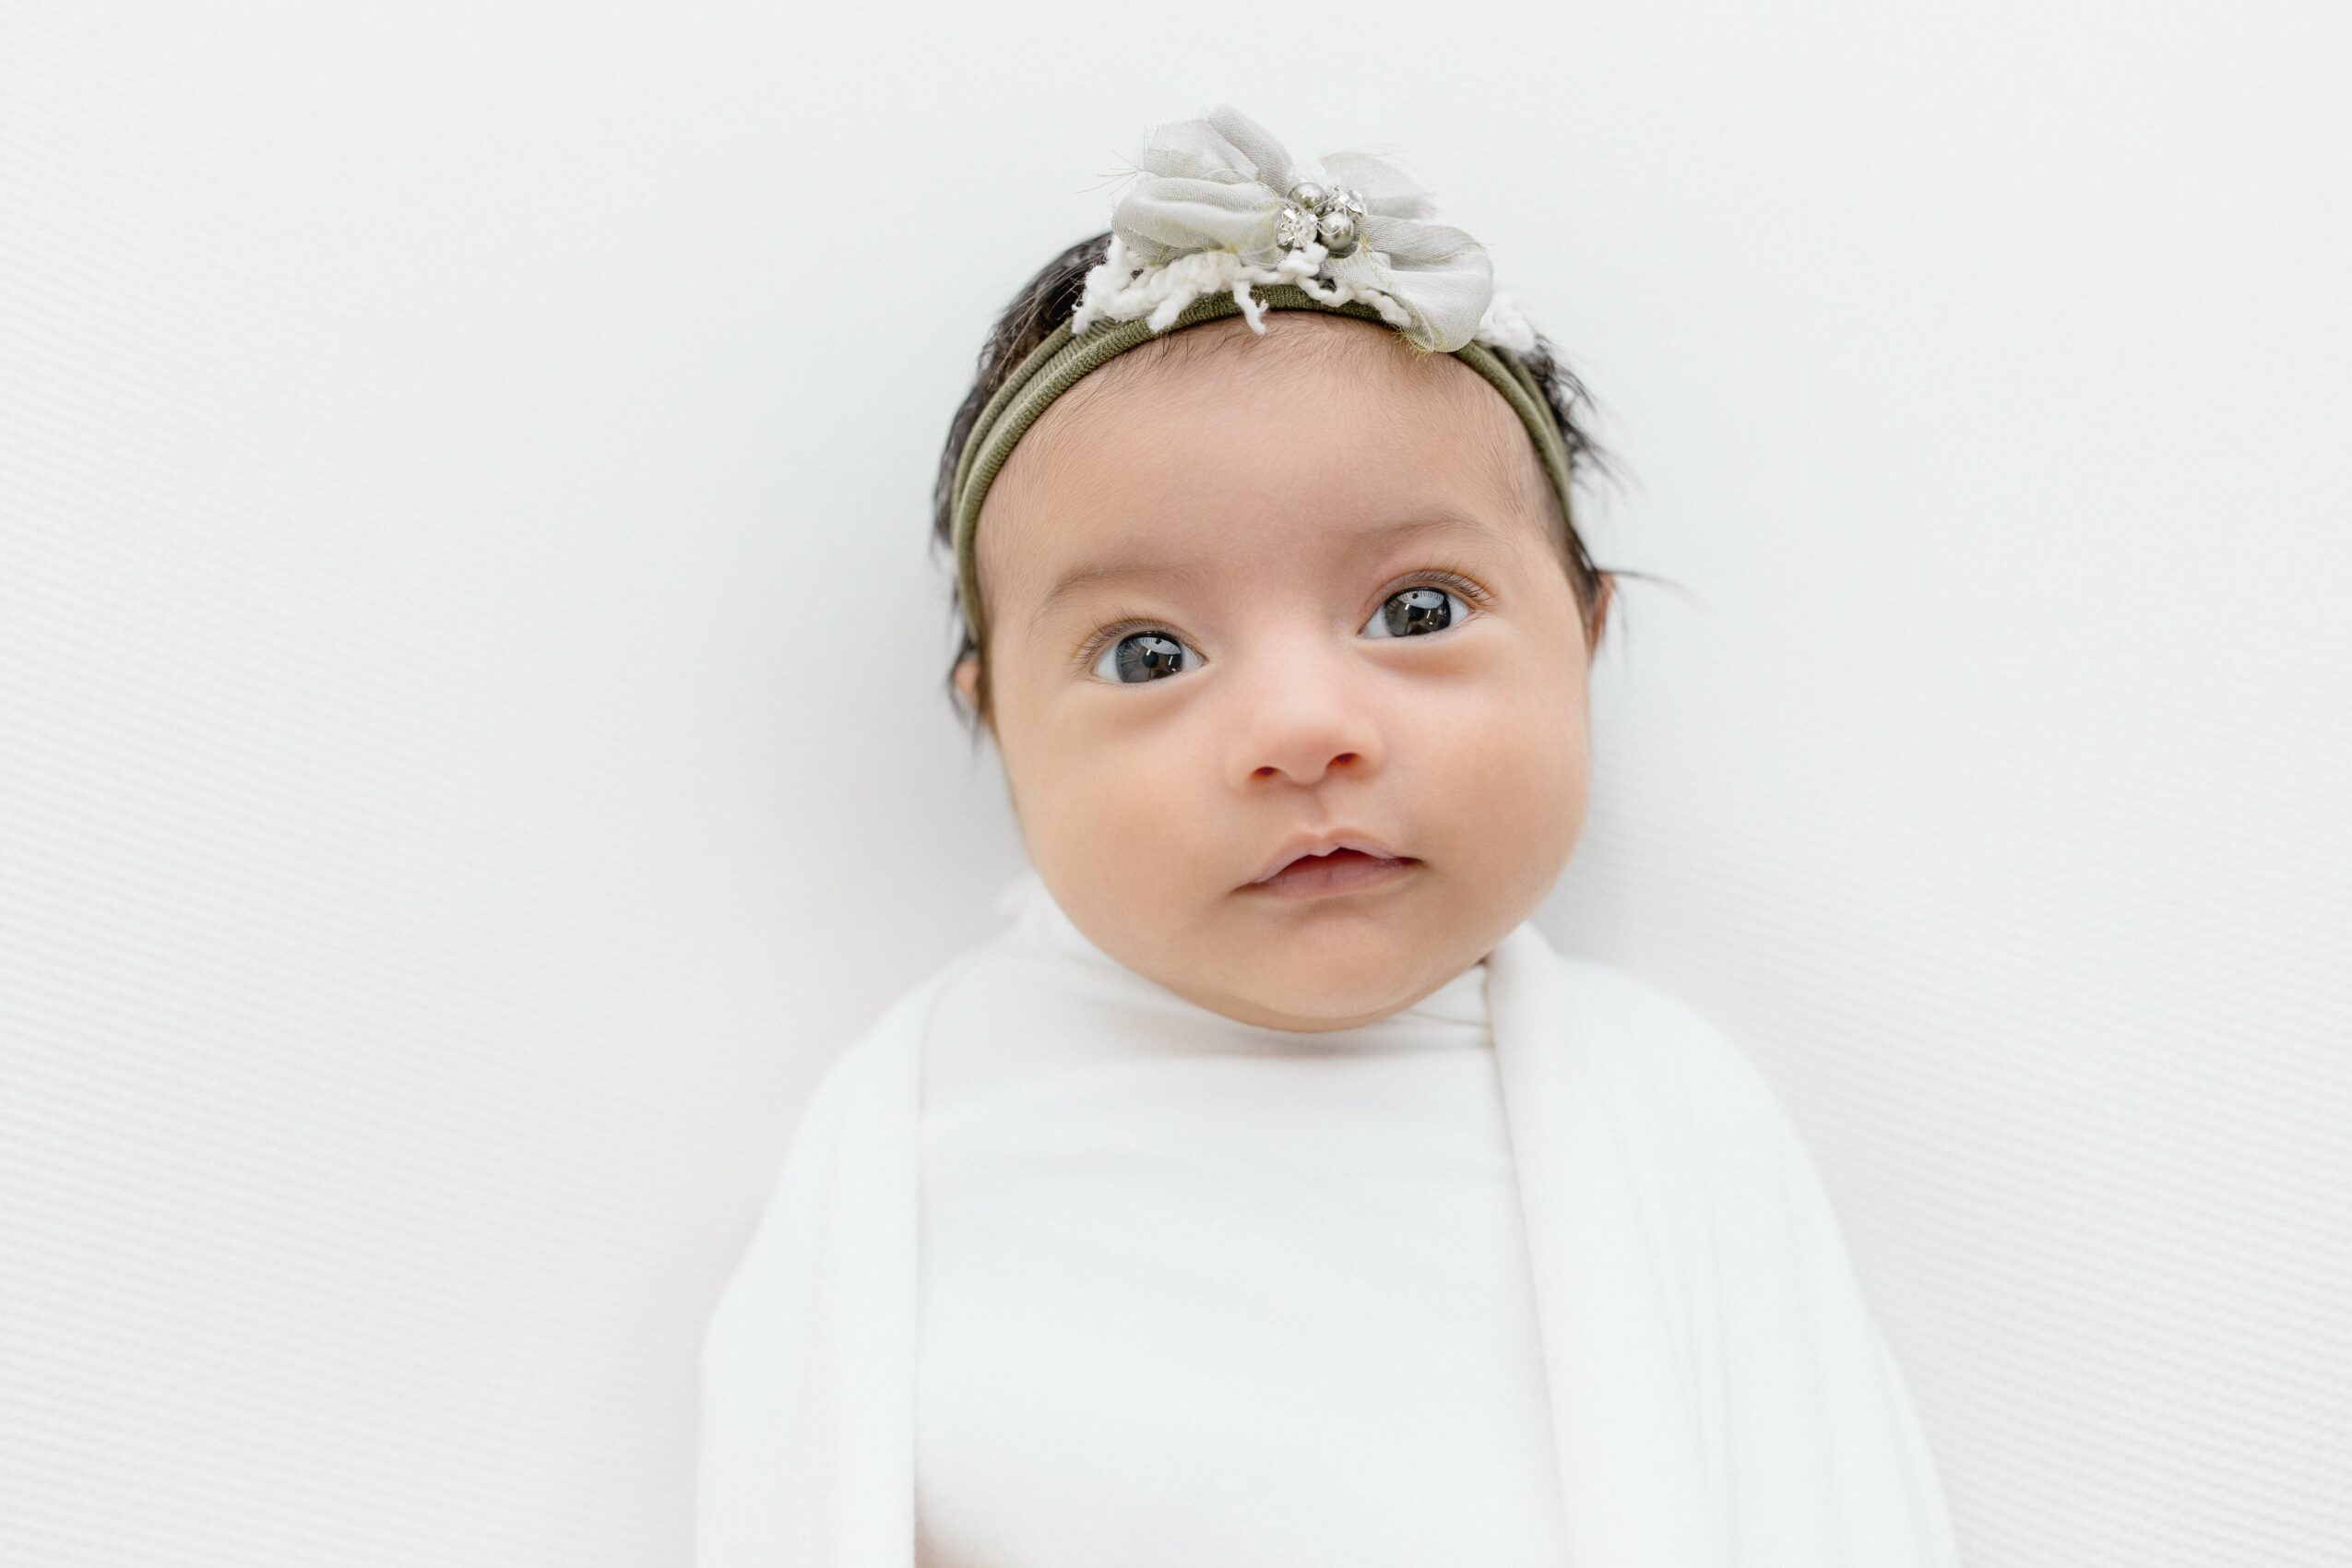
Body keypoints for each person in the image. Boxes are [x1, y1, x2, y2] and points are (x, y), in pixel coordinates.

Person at [697, 105, 1966, 1568]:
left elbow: (1831, 1504)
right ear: (998, 729)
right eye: (1147, 654)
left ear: (1584, 641)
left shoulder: (1669, 1110)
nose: (1303, 729)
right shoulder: (910, 1131)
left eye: (1414, 612)